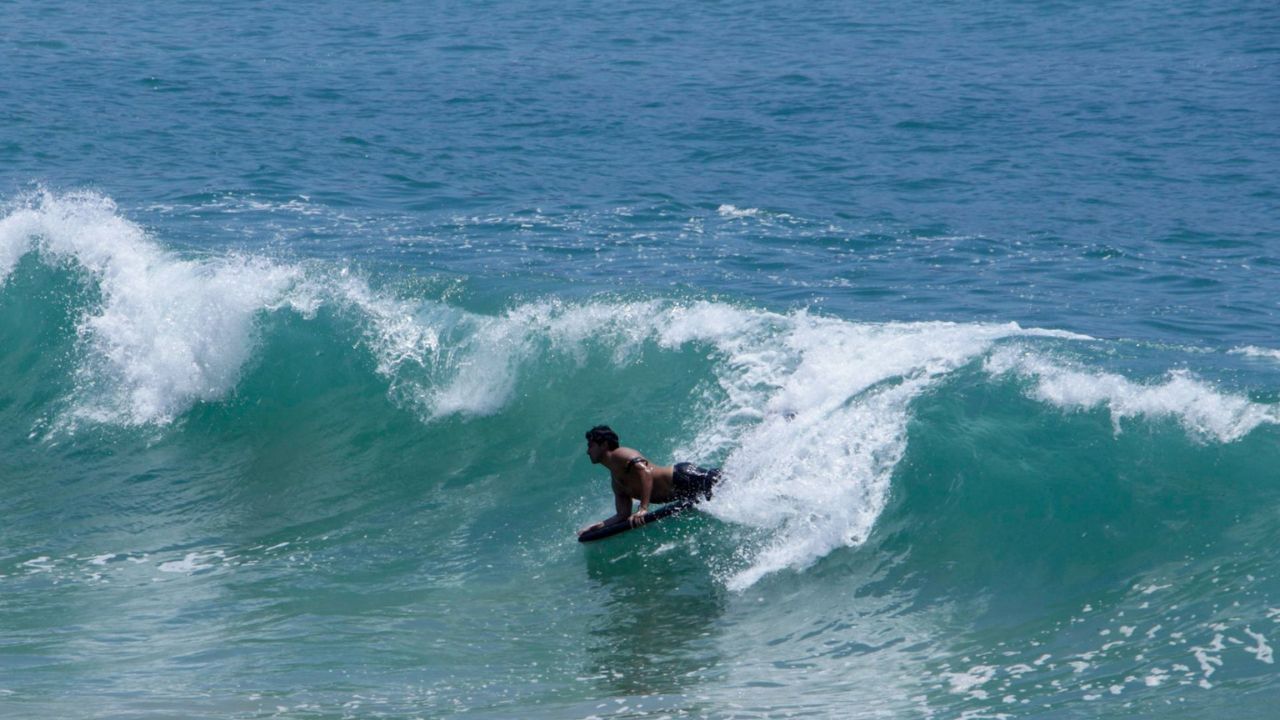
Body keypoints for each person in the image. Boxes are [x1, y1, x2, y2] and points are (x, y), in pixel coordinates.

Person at [580, 425, 720, 532]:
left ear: (604, 445)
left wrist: (643, 508)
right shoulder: (616, 482)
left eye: (591, 446)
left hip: (683, 477)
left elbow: (645, 471)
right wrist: (601, 525)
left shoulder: (621, 454)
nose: (587, 451)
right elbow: (623, 515)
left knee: (727, 482)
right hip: (682, 492)